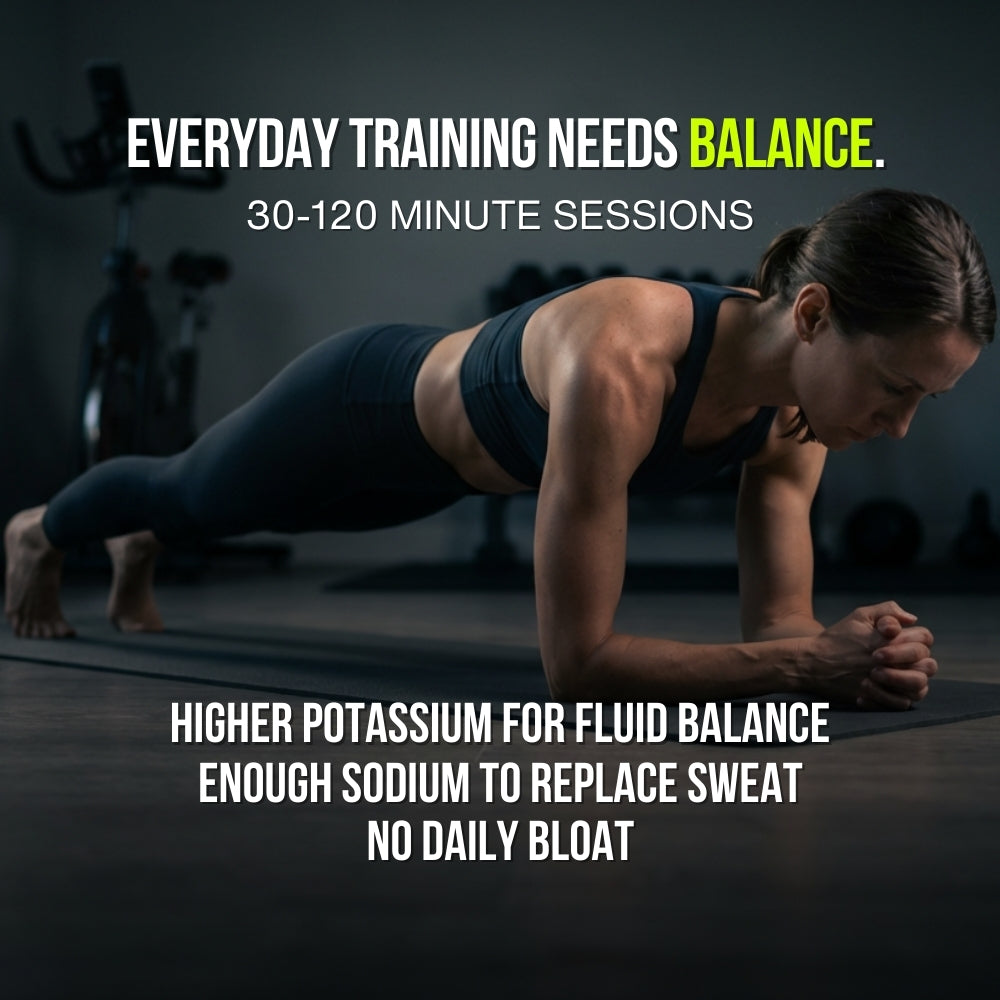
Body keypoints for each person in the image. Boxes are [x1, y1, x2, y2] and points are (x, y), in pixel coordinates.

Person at [4, 189, 995, 710]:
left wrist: (853, 656)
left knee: (217, 513)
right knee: (186, 489)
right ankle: (42, 533)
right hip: (357, 403)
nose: (898, 425)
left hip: (429, 479)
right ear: (813, 314)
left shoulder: (795, 420)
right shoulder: (624, 358)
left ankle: (142, 543)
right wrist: (803, 670)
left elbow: (782, 627)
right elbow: (580, 666)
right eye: (896, 387)